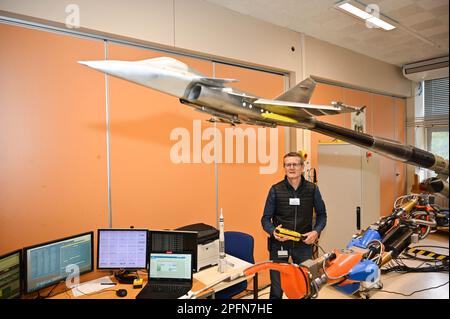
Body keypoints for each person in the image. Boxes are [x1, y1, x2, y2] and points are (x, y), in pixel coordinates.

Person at [261, 151, 327, 299]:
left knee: (304, 286)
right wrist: (273, 232)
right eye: (288, 164)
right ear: (284, 167)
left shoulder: (312, 189)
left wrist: (315, 232)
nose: (292, 167)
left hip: (303, 244)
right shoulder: (275, 190)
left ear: (302, 168)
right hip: (279, 245)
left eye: (295, 164)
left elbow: (322, 215)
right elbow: (265, 219)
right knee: (276, 289)